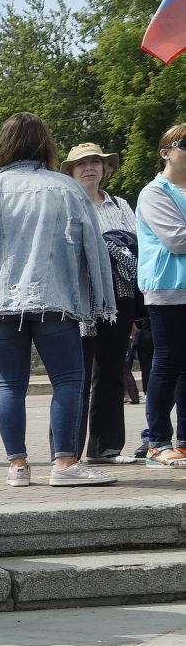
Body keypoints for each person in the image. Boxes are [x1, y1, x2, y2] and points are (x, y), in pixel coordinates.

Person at [0, 111, 116, 488]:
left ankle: (17, 467)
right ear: (46, 144)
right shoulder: (66, 188)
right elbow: (94, 247)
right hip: (53, 297)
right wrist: (102, 299)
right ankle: (65, 463)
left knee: (10, 384)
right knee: (69, 379)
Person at [64, 143, 142, 464]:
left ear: (105, 169)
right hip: (80, 299)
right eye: (81, 164)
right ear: (70, 172)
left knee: (111, 371)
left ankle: (106, 447)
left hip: (118, 295)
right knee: (77, 376)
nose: (89, 168)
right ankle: (68, 452)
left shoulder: (121, 205)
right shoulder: (65, 204)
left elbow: (136, 245)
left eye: (95, 162)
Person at [137, 123, 186, 467]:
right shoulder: (155, 192)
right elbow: (177, 239)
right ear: (165, 152)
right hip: (168, 289)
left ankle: (182, 439)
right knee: (167, 362)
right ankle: (157, 440)